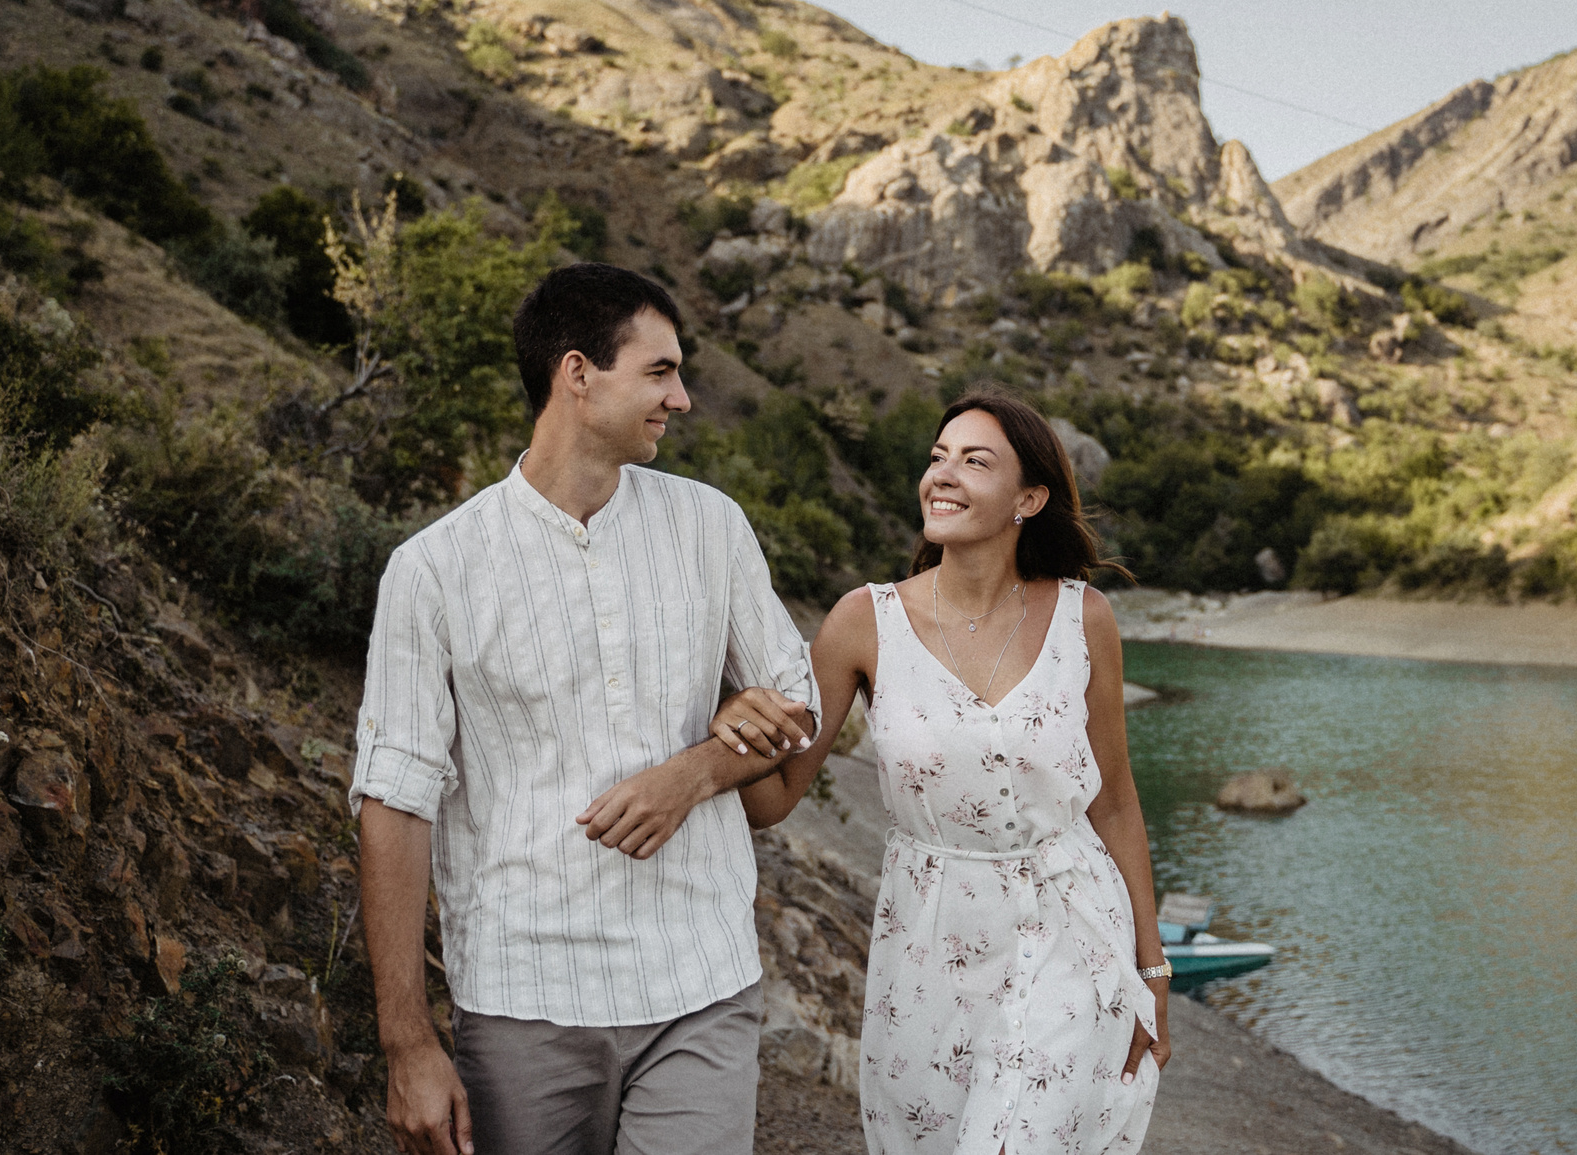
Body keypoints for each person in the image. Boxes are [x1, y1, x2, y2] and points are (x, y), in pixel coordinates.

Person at [350, 262, 820, 1155]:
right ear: (577, 373)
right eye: (660, 371)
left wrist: (696, 772)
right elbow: (395, 801)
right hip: (526, 995)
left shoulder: (710, 524)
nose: (681, 398)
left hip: (701, 979)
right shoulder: (435, 568)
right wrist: (407, 1042)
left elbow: (800, 701)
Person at [723, 384, 1171, 1155]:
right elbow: (776, 798)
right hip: (926, 944)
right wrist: (733, 726)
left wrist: (1153, 961)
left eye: (974, 461)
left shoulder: (1082, 615)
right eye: (937, 458)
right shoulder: (865, 620)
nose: (943, 475)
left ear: (1029, 497)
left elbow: (1117, 802)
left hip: (1070, 928)